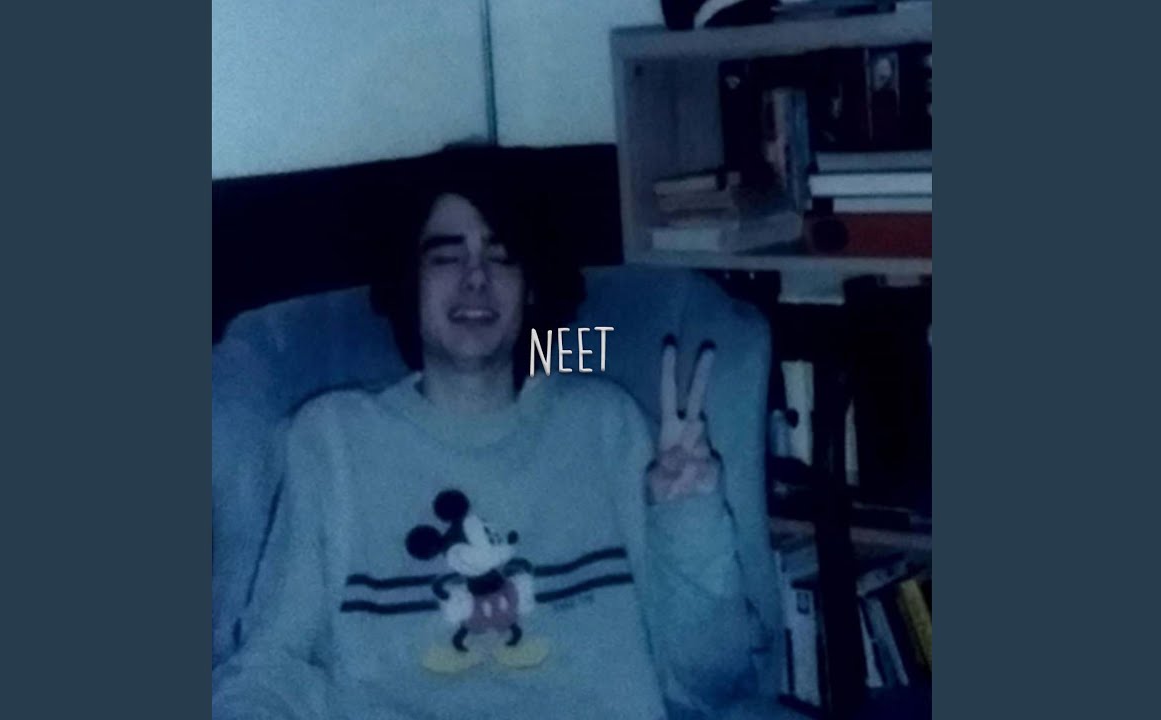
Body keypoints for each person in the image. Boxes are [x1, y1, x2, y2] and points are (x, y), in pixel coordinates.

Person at [212, 148, 761, 720]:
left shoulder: (607, 425)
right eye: (446, 257)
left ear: (532, 287)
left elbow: (710, 680)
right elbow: (272, 665)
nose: (475, 278)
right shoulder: (332, 442)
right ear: (408, 281)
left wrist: (688, 518)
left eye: (501, 257)